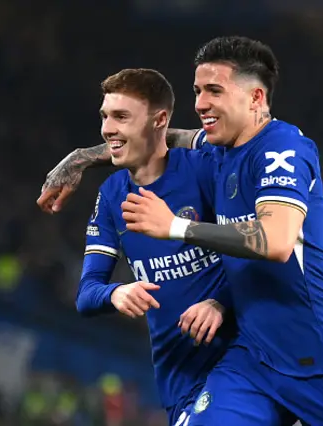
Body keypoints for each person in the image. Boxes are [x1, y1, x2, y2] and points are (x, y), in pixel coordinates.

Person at [117, 36, 323, 425]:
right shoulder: (220, 147)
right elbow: (161, 139)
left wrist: (176, 226)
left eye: (214, 91)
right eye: (197, 91)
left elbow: (278, 241)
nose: (199, 104)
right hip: (255, 361)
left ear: (255, 98)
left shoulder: (283, 148)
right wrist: (80, 160)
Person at [76, 68, 236, 426]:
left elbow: (259, 254)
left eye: (121, 117)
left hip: (240, 359)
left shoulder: (204, 170)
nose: (107, 129)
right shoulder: (112, 195)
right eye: (105, 116)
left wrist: (219, 302)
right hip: (179, 379)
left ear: (160, 120)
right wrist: (116, 293)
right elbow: (87, 294)